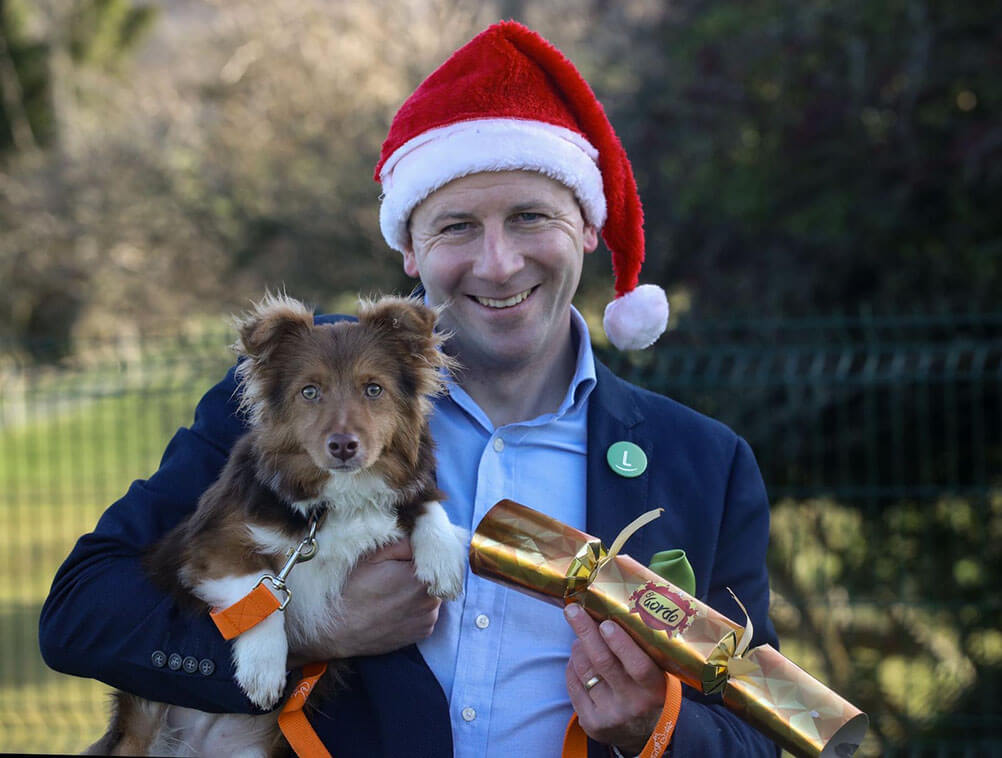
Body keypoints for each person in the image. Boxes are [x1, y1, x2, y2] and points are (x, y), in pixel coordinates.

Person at [40, 21, 779, 758]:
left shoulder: (704, 464)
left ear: (587, 225)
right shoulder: (301, 396)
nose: (497, 263)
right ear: (407, 248)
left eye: (530, 216)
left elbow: (756, 732)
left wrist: (659, 723)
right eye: (456, 226)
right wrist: (303, 628)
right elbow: (82, 614)